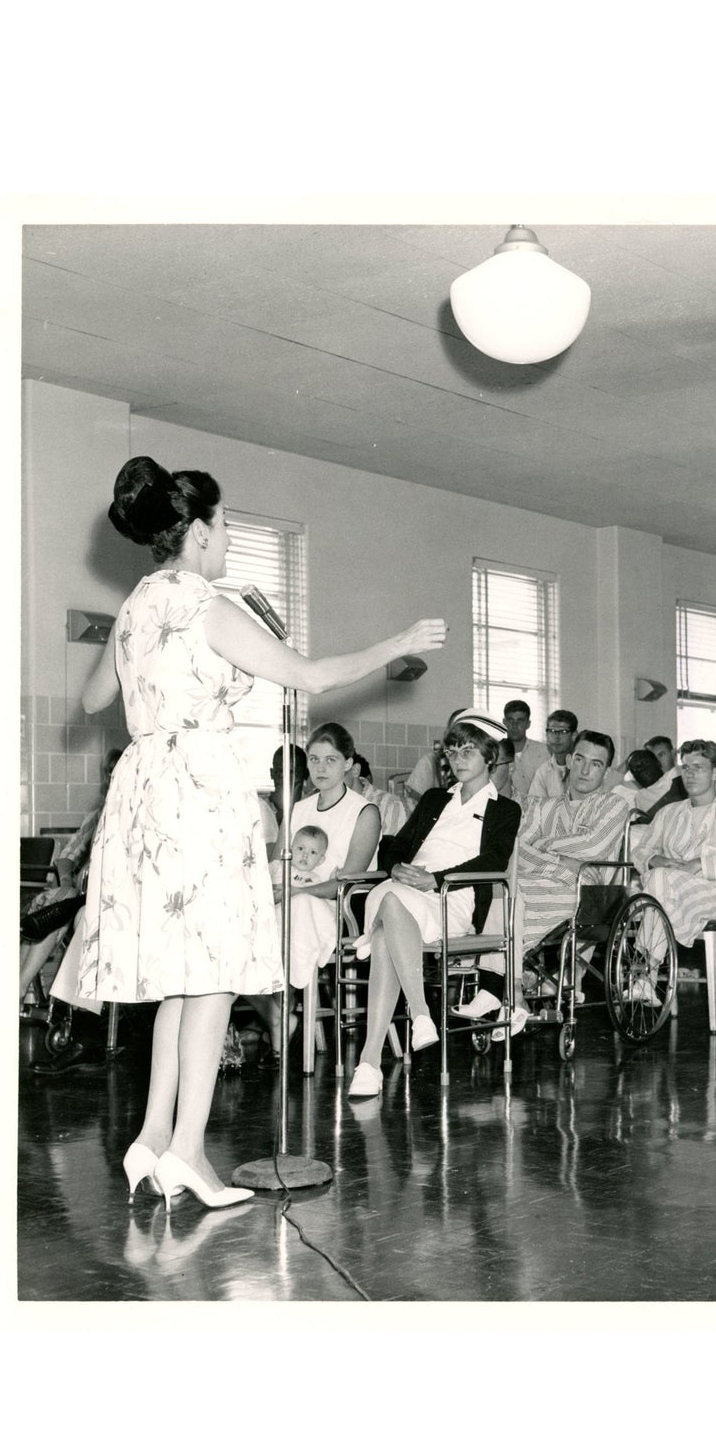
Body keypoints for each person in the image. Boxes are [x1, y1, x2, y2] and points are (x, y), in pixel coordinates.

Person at [80, 457, 445, 1205]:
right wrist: (397, 640)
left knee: (174, 981)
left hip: (142, 788)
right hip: (199, 790)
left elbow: (93, 700)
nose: (226, 540)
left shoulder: (137, 605)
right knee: (213, 974)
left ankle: (150, 1139)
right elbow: (309, 678)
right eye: (224, 527)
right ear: (203, 531)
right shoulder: (208, 605)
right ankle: (188, 1152)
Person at [348, 711, 522, 1097]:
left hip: (450, 898)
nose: (459, 758)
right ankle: (420, 1013)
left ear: (490, 757)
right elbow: (396, 844)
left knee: (385, 933)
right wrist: (396, 865)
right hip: (406, 889)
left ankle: (370, 1062)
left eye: (470, 751)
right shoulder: (432, 799)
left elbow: (493, 861)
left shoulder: (505, 809)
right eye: (454, 750)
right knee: (391, 899)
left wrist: (435, 879)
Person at [245, 721, 383, 1058]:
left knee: (298, 911)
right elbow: (277, 864)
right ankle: (276, 1014)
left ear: (349, 764)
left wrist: (294, 894)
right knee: (235, 920)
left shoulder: (364, 811)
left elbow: (349, 879)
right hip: (290, 898)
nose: (320, 768)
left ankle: (281, 1009)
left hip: (338, 908)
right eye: (314, 759)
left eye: (331, 760)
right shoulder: (297, 809)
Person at [18, 745, 124, 1007]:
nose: (112, 778)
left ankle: (18, 987)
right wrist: (66, 880)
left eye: (116, 773)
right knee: (56, 903)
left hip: (112, 896)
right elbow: (66, 856)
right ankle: (17, 985)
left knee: (54, 910)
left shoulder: (131, 815)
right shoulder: (96, 815)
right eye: (108, 774)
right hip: (81, 893)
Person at [634, 741, 716, 950]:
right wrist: (654, 859)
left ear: (715, 774)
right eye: (685, 768)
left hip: (714, 895)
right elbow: (640, 851)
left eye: (698, 767)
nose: (690, 774)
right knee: (658, 885)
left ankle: (645, 968)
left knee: (655, 887)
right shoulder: (668, 813)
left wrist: (700, 864)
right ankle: (649, 971)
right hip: (668, 891)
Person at [514, 730, 629, 965]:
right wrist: (565, 864)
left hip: (588, 899)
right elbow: (518, 852)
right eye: (579, 760)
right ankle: (510, 982)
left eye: (595, 764)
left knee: (514, 899)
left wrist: (542, 844)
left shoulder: (613, 804)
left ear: (607, 773)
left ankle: (509, 981)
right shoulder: (543, 808)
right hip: (543, 886)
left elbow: (592, 846)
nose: (585, 771)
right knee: (504, 892)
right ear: (568, 761)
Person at [501, 698, 550, 806]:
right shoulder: (497, 753)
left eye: (520, 720)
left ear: (528, 724)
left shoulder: (544, 751)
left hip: (539, 811)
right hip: (507, 813)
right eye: (510, 720)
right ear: (504, 722)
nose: (515, 726)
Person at [528, 708, 579, 801]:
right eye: (552, 731)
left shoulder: (584, 768)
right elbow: (534, 807)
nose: (556, 737)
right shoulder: (542, 772)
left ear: (574, 735)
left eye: (563, 732)